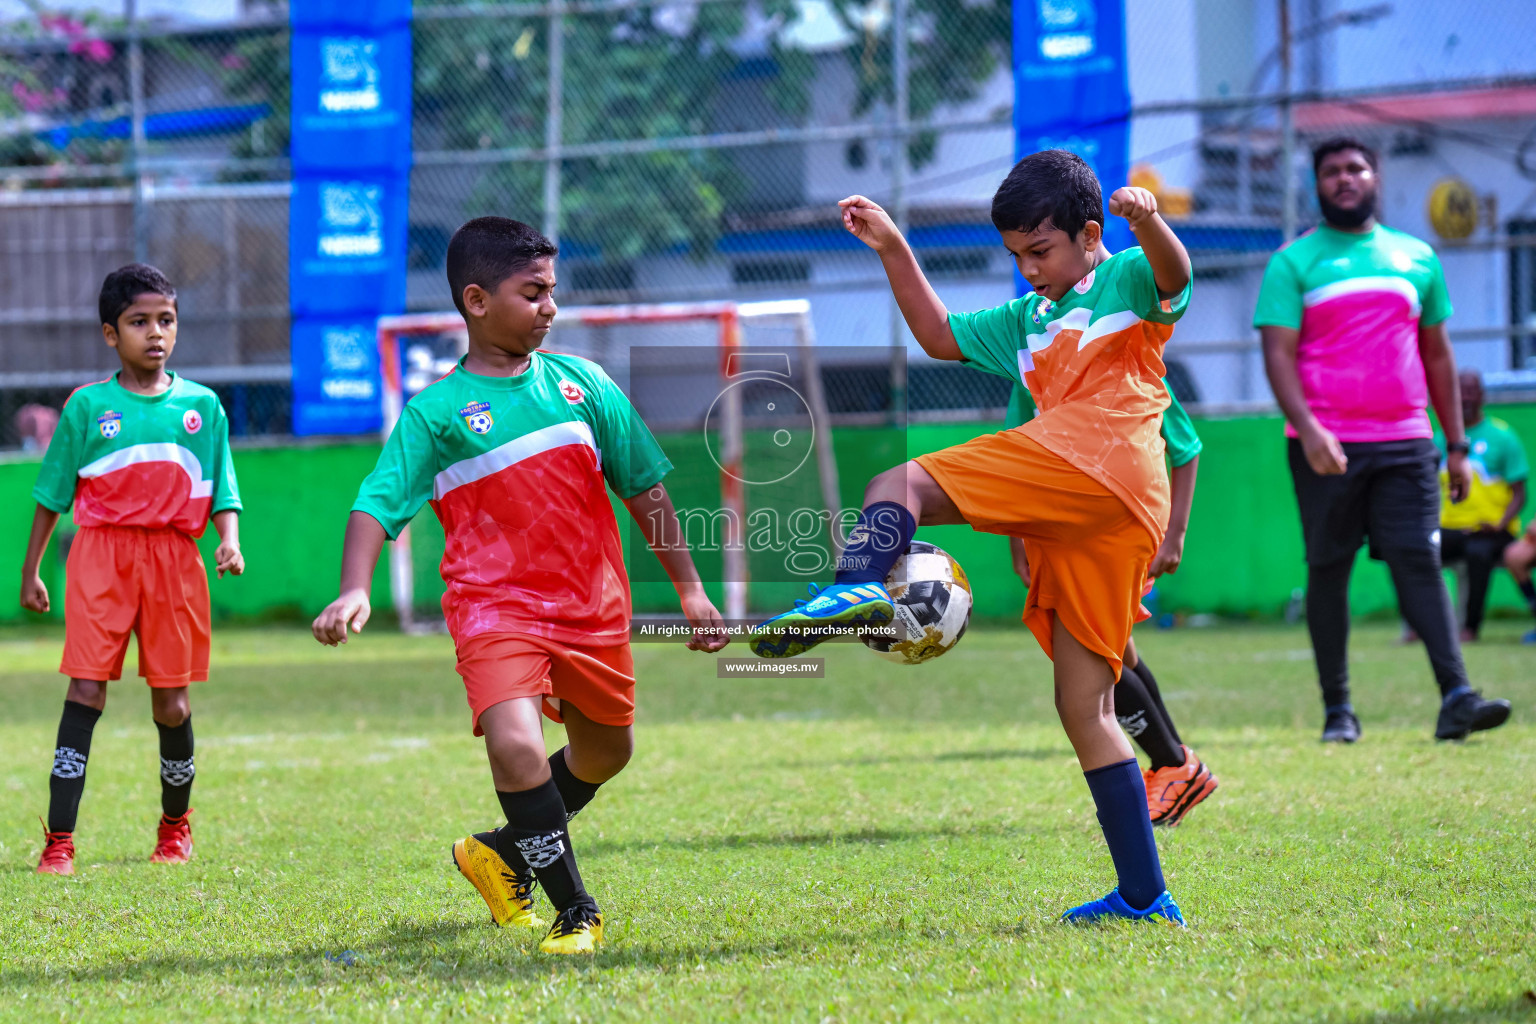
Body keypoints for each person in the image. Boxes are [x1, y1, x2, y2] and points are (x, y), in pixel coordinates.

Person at [750, 150, 1193, 925]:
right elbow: (938, 334)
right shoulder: (1025, 321)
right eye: (1017, 256)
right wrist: (892, 246)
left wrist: (1150, 223)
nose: (1028, 270)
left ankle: (856, 586)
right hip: (1116, 506)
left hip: (1102, 459)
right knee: (1082, 704)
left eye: (1041, 252)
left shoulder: (1122, 278)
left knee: (898, 486)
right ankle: (1144, 896)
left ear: (1092, 236)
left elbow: (1175, 277)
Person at [311, 217, 728, 955]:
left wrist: (691, 591)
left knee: (606, 753)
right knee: (515, 744)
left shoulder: (584, 385)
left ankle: (501, 853)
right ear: (476, 300)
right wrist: (354, 588)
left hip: (592, 607)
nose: (550, 307)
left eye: (551, 291)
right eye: (531, 292)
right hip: (492, 608)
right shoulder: (436, 415)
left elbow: (646, 492)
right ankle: (578, 910)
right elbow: (376, 502)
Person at [1257, 136, 1511, 744]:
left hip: (1406, 441)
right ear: (1317, 185)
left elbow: (1438, 355)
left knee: (1419, 561)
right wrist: (1311, 429)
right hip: (1325, 445)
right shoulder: (1292, 263)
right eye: (1332, 171)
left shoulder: (1417, 257)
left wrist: (1455, 445)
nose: (1345, 179)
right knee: (1329, 568)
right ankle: (1338, 711)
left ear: (1376, 177)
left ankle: (1456, 697)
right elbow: (1278, 356)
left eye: (1356, 168)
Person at [20, 263, 244, 876]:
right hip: (100, 554)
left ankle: (175, 829)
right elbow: (51, 494)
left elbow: (222, 485)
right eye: (139, 322)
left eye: (165, 320)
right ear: (110, 334)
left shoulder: (203, 406)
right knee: (85, 689)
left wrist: (229, 540)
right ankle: (58, 841)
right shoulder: (88, 406)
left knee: (171, 704)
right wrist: (32, 570)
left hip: (175, 559)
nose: (155, 333)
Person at [1005, 381, 1218, 827]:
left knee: (1097, 655)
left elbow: (1185, 446)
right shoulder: (1035, 353)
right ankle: (1176, 768)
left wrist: (1175, 534)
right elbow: (1017, 452)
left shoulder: (1134, 362)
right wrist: (1019, 537)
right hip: (1063, 528)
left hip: (1116, 527)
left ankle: (1174, 767)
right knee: (1120, 650)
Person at [1434, 370, 1526, 642]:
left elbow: (1520, 494)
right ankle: (1418, 627)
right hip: (1450, 527)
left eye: (1471, 391)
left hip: (1492, 529)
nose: (1465, 397)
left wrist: (1500, 522)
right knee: (1407, 550)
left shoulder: (1503, 437)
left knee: (1478, 552)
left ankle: (1469, 629)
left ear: (1482, 396)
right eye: (1459, 391)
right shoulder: (1440, 439)